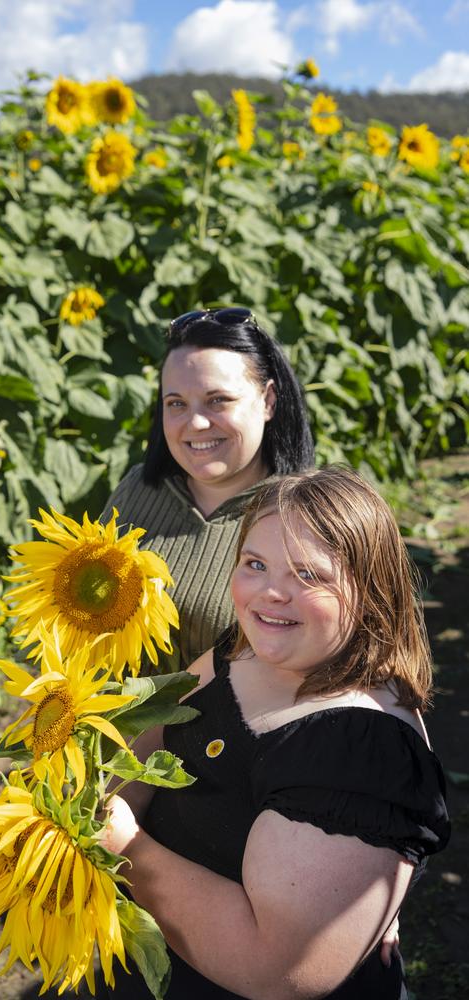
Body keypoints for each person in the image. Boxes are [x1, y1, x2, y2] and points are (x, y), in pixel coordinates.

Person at [100, 466, 450, 1000]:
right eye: (255, 564)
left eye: (308, 576)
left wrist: (123, 849)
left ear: (370, 589)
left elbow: (279, 971)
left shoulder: (358, 751)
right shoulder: (244, 647)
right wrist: (102, 812)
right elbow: (154, 731)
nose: (270, 594)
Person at [101, 307, 315, 671]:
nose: (196, 423)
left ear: (268, 400)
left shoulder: (309, 517)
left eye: (219, 400)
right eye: (176, 404)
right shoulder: (137, 491)